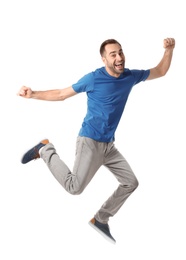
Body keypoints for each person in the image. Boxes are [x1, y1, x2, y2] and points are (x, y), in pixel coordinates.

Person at [17, 37, 175, 244]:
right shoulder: (93, 79)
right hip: (89, 141)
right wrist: (33, 94)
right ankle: (45, 149)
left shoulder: (130, 77)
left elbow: (160, 71)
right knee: (74, 187)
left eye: (121, 52)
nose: (119, 58)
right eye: (113, 54)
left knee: (130, 182)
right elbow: (61, 94)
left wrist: (169, 50)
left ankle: (101, 219)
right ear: (104, 59)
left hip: (109, 145)